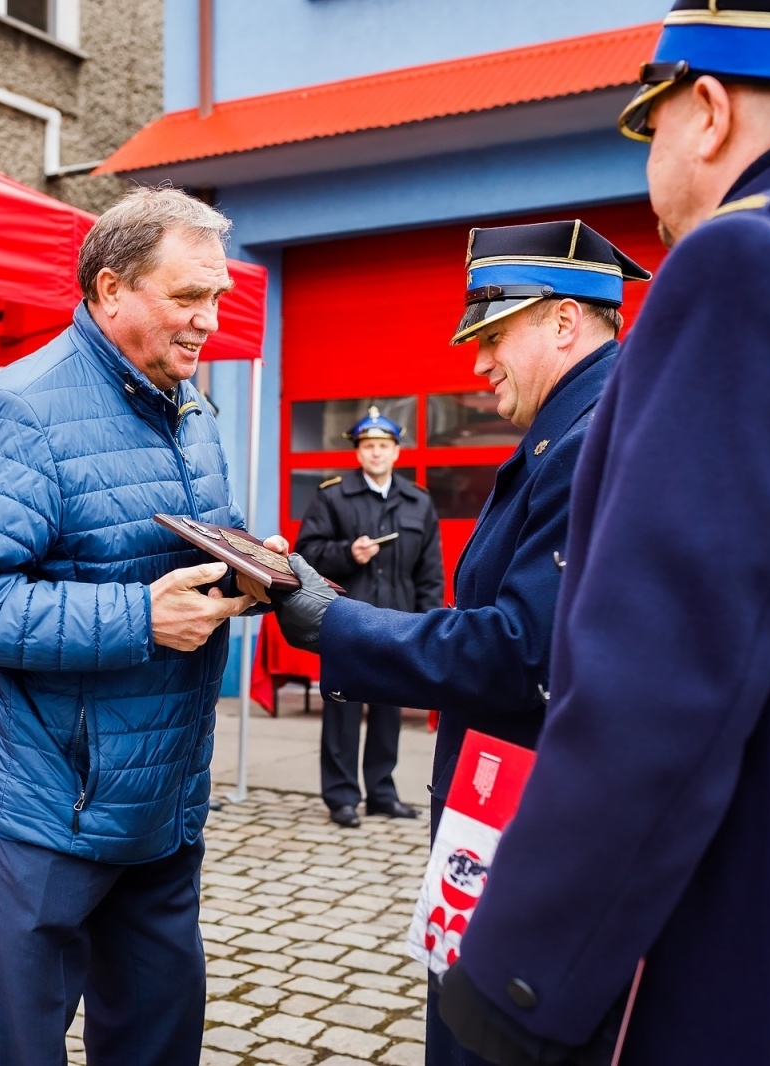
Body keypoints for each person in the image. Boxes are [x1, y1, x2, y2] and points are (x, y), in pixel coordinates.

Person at [429, 3, 770, 1064]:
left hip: (757, 909)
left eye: (650, 125)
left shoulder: (748, 262)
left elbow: (660, 678)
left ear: (706, 110)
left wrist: (514, 982)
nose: (652, 165)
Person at [272, 221, 648, 1066]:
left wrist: (333, 618)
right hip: (504, 812)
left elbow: (519, 649)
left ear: (563, 322)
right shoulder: (573, 427)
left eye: (492, 336)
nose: (476, 364)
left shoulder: (591, 440)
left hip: (534, 829)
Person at [0, 188, 269, 1066]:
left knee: (158, 1039)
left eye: (217, 298)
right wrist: (140, 617)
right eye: (189, 297)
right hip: (46, 806)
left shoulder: (191, 406)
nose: (210, 322)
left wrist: (246, 570)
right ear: (110, 290)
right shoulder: (23, 408)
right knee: (22, 1048)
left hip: (164, 800)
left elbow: (158, 544)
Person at [294, 406, 442, 828]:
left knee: (388, 710)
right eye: (368, 446)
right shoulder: (333, 496)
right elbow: (305, 555)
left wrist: (427, 623)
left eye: (384, 446)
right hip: (347, 617)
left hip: (398, 618)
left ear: (397, 451)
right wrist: (347, 554)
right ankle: (341, 797)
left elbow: (429, 571)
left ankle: (381, 792)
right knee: (343, 709)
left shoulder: (418, 500)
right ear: (358, 453)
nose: (376, 453)